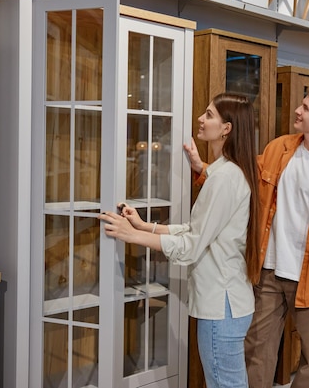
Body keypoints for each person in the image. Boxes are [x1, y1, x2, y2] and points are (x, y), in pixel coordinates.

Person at [185, 83, 309, 388]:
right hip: (268, 272)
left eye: (305, 108)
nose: (297, 110)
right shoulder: (279, 148)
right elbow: (240, 180)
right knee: (256, 353)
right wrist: (202, 170)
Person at [99, 93, 260, 388]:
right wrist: (145, 227)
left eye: (209, 115)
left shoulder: (224, 178)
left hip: (221, 305)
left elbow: (192, 245)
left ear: (227, 128)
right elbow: (196, 230)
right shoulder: (225, 173)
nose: (201, 118)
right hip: (228, 303)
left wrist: (131, 235)